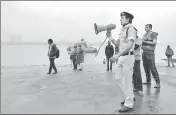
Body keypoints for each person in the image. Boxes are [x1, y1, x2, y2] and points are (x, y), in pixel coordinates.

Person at [106, 12, 137, 112]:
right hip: (121, 57)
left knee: (128, 81)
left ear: (128, 20)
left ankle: (129, 104)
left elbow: (129, 45)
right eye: (121, 18)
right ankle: (130, 96)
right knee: (118, 78)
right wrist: (110, 37)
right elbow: (117, 44)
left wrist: (117, 55)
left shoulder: (131, 29)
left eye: (122, 18)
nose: (120, 19)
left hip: (127, 57)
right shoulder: (122, 30)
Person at [142, 24, 160, 88]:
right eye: (145, 27)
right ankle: (148, 81)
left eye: (146, 27)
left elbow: (154, 42)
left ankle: (158, 83)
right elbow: (142, 43)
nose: (145, 28)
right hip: (144, 52)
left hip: (150, 52)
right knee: (146, 67)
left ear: (150, 28)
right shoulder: (144, 35)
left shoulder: (153, 34)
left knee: (152, 67)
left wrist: (145, 43)